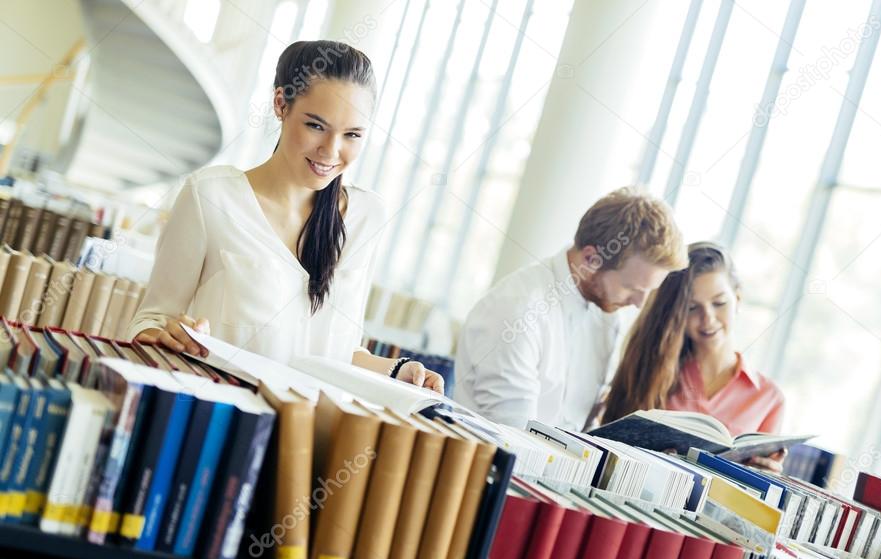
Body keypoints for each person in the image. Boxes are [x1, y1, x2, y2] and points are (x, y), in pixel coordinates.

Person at [127, 41, 442, 391]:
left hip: (308, 435)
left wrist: (399, 371)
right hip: (226, 422)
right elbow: (151, 320)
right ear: (281, 104)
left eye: (352, 134)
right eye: (316, 126)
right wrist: (167, 335)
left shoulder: (367, 217)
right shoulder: (212, 197)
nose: (331, 151)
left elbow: (332, 352)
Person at [454, 187, 687, 430]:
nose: (638, 303)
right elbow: (513, 435)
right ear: (590, 259)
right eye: (631, 288)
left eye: (648, 292)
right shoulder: (518, 310)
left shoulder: (606, 316)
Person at [602, 242, 786, 472]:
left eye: (719, 303)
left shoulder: (769, 398)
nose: (708, 319)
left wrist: (767, 477)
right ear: (677, 314)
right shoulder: (651, 371)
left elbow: (757, 488)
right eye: (691, 308)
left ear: (737, 300)